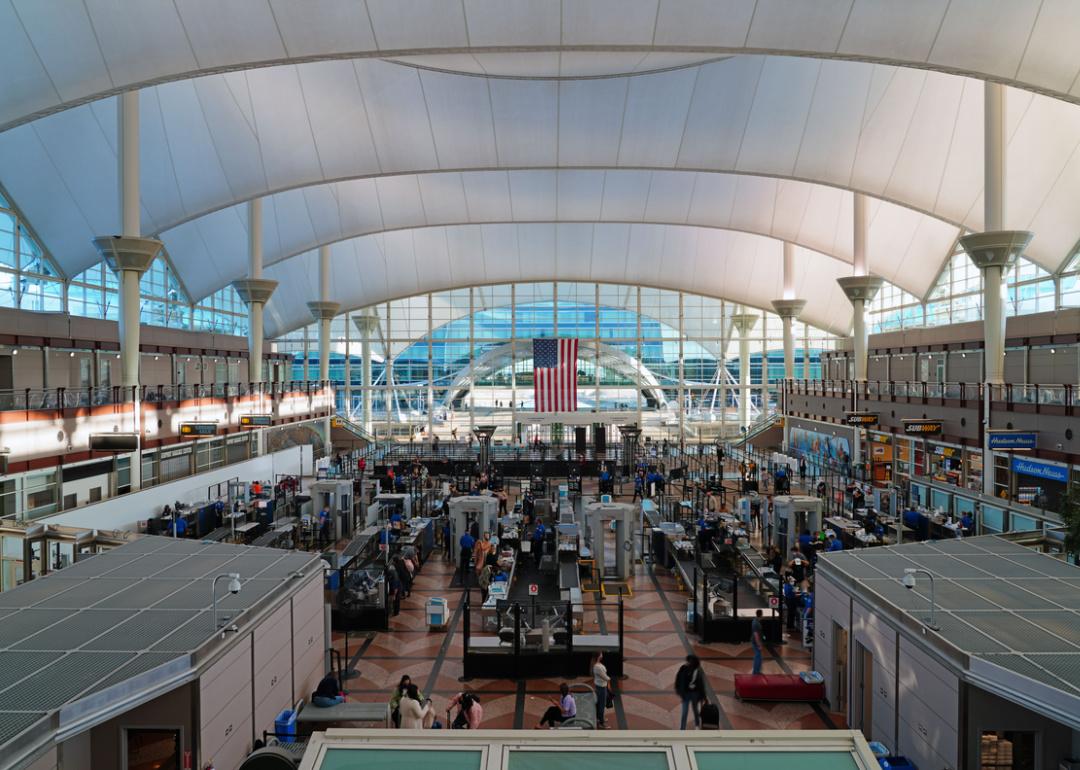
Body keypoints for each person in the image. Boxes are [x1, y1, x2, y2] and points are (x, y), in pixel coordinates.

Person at [675, 654, 705, 730]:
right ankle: (682, 728)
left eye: (689, 662)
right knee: (684, 712)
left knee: (695, 709)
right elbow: (678, 679)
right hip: (685, 694)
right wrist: (679, 690)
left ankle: (697, 724)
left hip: (694, 693)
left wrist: (703, 696)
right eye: (688, 661)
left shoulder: (697, 671)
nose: (687, 663)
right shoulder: (683, 668)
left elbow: (701, 684)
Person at [592, 653, 611, 729]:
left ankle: (599, 718)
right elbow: (605, 677)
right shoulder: (597, 667)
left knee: (599, 703)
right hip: (601, 688)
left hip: (601, 686)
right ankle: (601, 723)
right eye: (601, 653)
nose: (602, 654)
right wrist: (609, 682)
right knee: (602, 705)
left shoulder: (598, 664)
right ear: (598, 656)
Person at [751, 609, 764, 675]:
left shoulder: (756, 621)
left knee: (758, 657)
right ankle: (755, 672)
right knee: (758, 657)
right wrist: (759, 644)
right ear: (761, 615)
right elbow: (756, 635)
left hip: (756, 642)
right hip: (756, 642)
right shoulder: (756, 623)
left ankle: (757, 671)